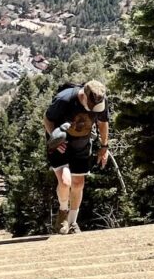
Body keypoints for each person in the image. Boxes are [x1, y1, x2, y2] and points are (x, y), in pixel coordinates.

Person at [42, 80, 111, 234]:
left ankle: (72, 223)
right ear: (84, 96)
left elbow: (103, 122)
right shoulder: (64, 99)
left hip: (82, 144)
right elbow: (47, 119)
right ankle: (62, 213)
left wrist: (104, 146)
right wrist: (54, 139)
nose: (94, 110)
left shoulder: (100, 100)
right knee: (65, 182)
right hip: (61, 145)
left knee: (78, 183)